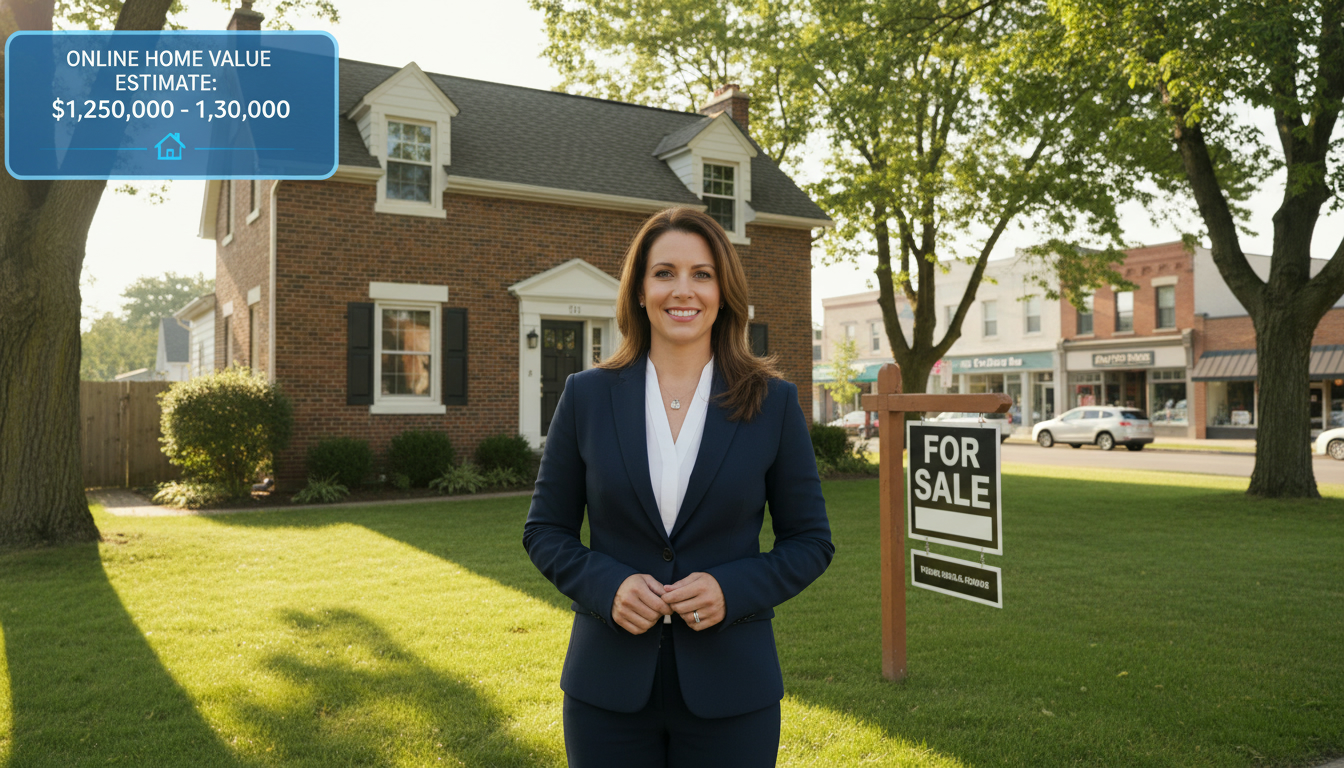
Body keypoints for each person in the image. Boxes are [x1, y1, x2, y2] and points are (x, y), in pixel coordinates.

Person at [523, 207, 834, 767]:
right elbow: (545, 530)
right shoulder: (586, 396)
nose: (682, 290)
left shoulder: (774, 403)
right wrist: (608, 585)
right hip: (607, 692)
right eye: (664, 272)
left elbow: (810, 541)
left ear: (724, 292)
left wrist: (731, 589)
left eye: (702, 274)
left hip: (733, 691)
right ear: (640, 290)